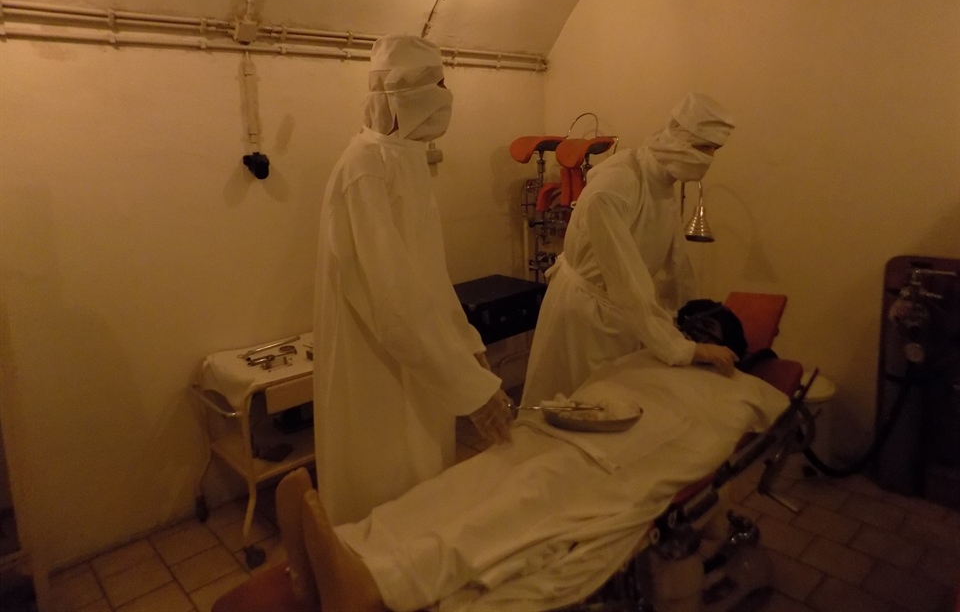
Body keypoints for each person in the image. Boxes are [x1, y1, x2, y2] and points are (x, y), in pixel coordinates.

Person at [265, 302, 790, 612]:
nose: (697, 340)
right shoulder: (651, 356)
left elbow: (777, 405)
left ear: (735, 351)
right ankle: (351, 546)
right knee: (471, 479)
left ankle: (381, 580)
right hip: (565, 433)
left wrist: (730, 373)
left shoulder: (739, 388)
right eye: (691, 331)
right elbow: (602, 383)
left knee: (519, 501)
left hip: (614, 463)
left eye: (710, 337)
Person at [312, 35, 513, 529]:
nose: (446, 96)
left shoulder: (404, 159)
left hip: (413, 348)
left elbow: (428, 276)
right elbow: (394, 300)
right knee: (384, 486)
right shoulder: (365, 168)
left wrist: (466, 345)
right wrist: (469, 386)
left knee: (423, 481)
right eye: (437, 85)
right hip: (377, 357)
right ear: (402, 96)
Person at [522, 92, 739, 407]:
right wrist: (681, 348)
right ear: (680, 140)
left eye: (715, 150)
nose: (709, 159)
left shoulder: (660, 181)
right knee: (578, 405)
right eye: (705, 148)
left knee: (618, 405)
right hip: (587, 316)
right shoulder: (615, 188)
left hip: (620, 311)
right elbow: (625, 278)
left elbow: (676, 263)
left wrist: (686, 317)